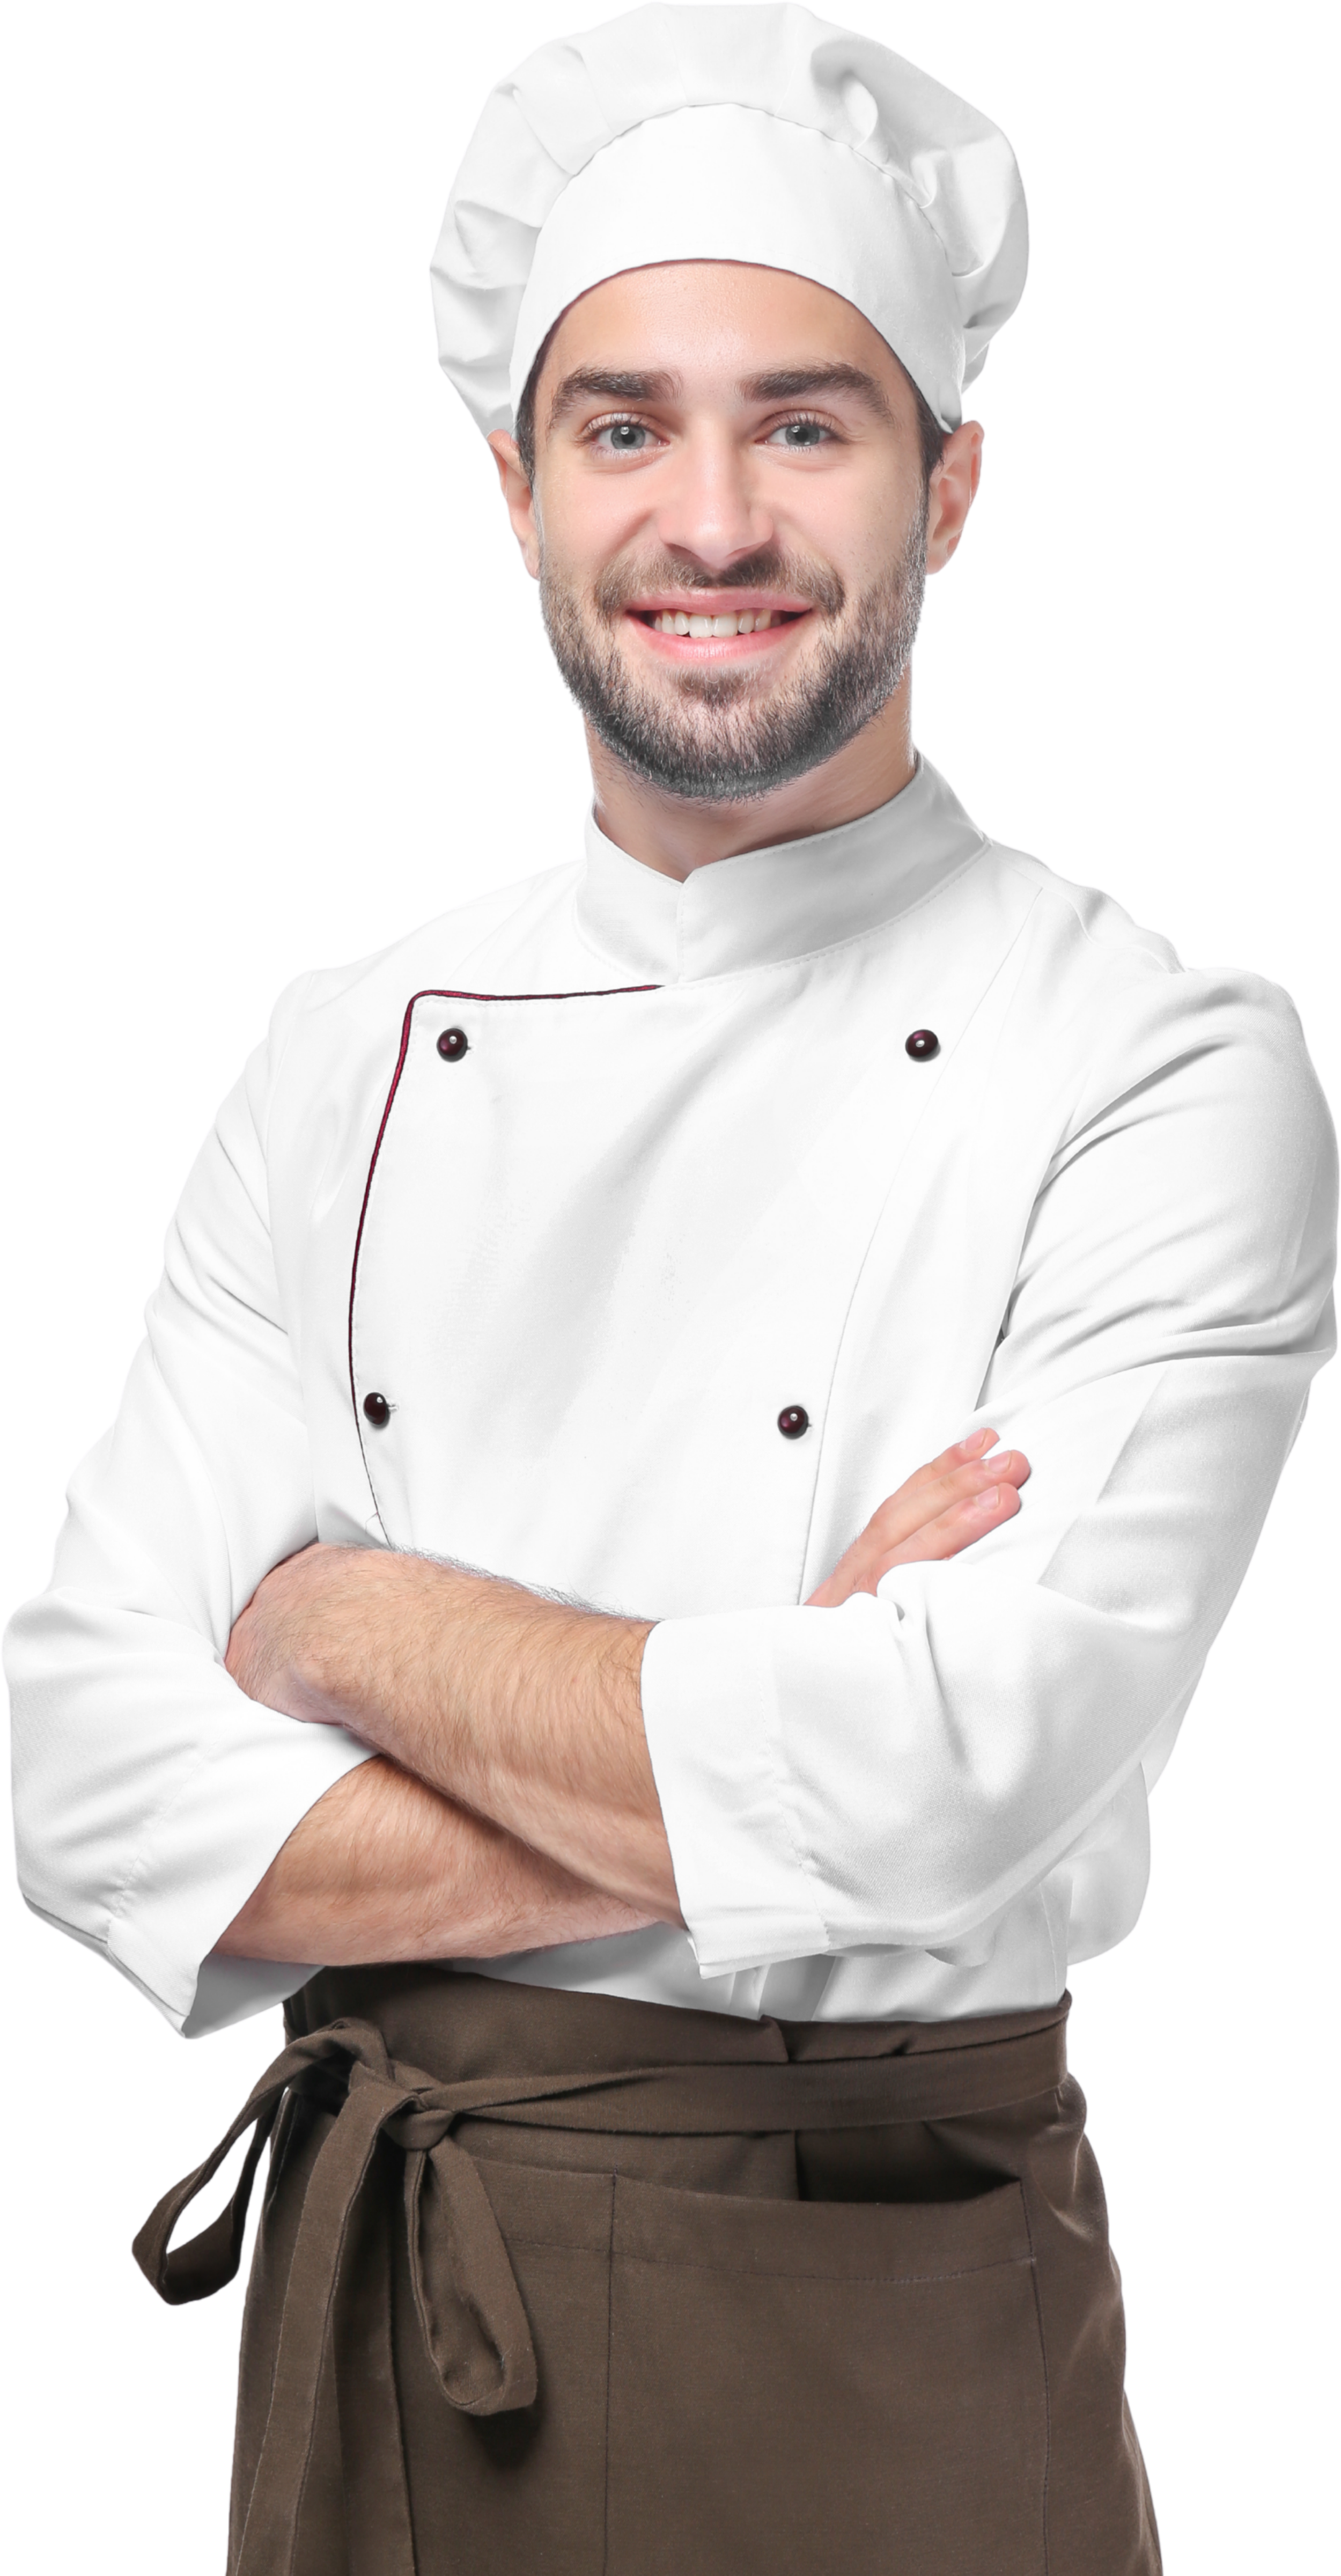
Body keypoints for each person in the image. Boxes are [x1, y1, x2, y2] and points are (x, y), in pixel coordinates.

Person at [4, 7, 1336, 2572]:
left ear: (951, 487)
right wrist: (747, 1731)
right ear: (514, 496)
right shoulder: (343, 1051)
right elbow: (86, 1767)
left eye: (802, 426)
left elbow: (970, 1766)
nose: (709, 517)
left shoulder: (1158, 1066)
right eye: (623, 427)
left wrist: (347, 1615)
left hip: (881, 2306)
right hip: (395, 2298)